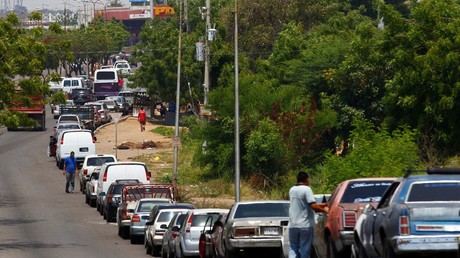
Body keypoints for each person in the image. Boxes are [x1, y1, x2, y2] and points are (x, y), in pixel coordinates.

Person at [289, 171, 329, 258]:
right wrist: (325, 211)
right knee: (305, 248)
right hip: (305, 225)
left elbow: (304, 203)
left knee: (293, 248)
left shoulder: (292, 190)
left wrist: (322, 204)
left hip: (292, 225)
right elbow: (313, 206)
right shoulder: (307, 189)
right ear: (307, 179)